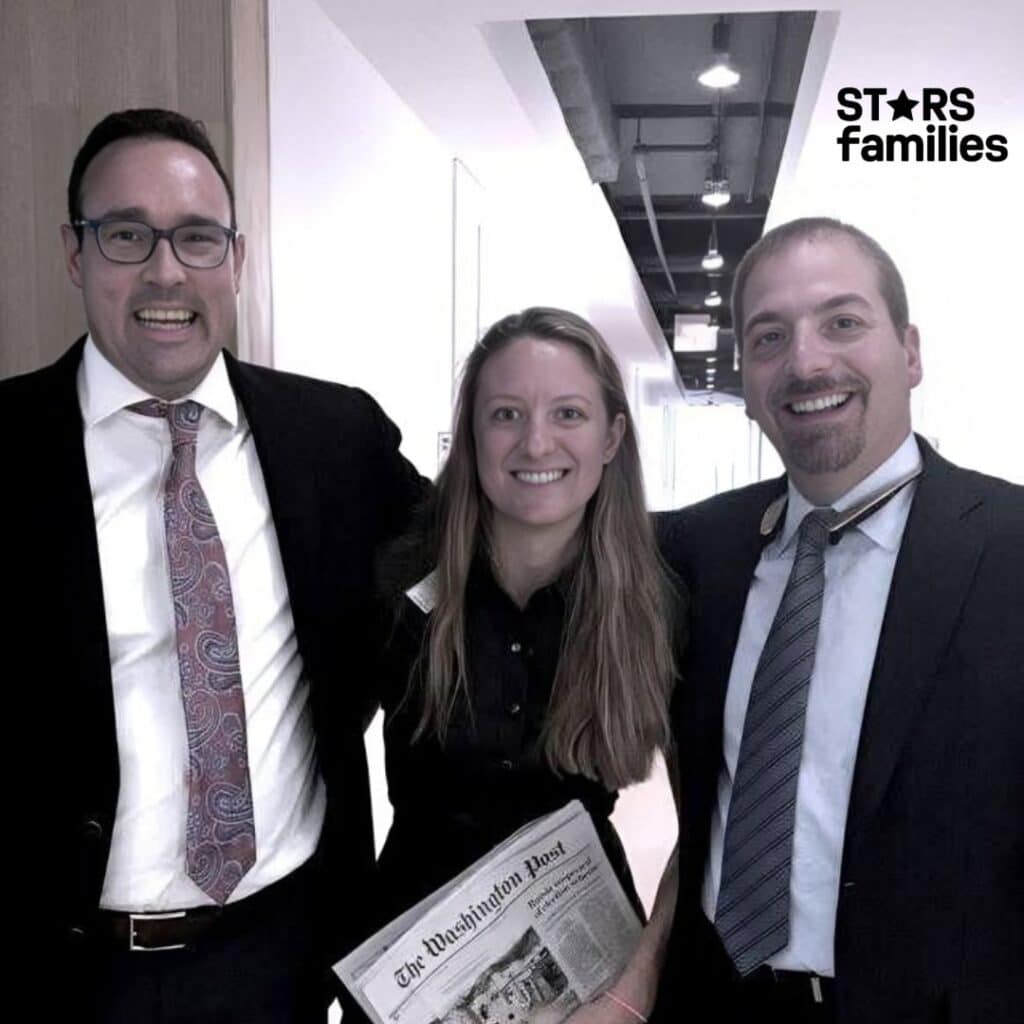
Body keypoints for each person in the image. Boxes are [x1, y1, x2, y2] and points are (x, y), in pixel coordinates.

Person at [0, 108, 424, 1023]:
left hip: (283, 953)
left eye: (196, 238)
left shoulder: (335, 438)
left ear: (235, 259)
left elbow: (477, 553)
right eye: (126, 235)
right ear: (76, 255)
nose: (165, 271)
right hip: (62, 974)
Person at [653, 218, 1024, 1023]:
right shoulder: (698, 549)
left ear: (911, 351)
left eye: (842, 323)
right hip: (715, 1000)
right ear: (747, 379)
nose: (807, 361)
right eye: (769, 337)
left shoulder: (1011, 548)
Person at [372, 307, 679, 1019]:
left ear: (612, 437)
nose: (535, 441)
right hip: (406, 969)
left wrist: (635, 993)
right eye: (505, 413)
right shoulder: (398, 580)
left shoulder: (660, 601)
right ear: (472, 437)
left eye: (568, 412)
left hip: (589, 969)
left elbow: (706, 824)